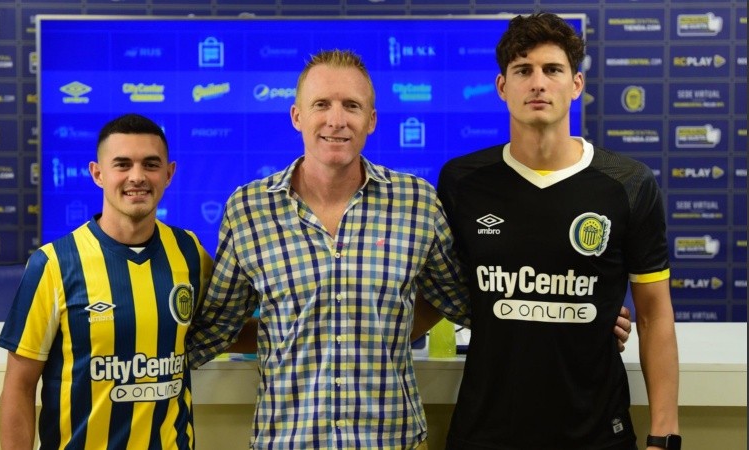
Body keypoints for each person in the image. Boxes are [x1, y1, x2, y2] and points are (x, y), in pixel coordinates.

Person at [186, 49, 632, 449]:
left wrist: (578, 315)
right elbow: (215, 328)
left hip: (393, 438)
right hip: (288, 439)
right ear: (297, 116)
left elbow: (477, 302)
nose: (336, 120)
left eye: (352, 106)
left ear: (372, 120)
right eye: (321, 104)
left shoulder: (415, 202)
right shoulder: (249, 209)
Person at [434, 12, 680, 449]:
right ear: (502, 86)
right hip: (486, 432)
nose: (538, 83)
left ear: (576, 84)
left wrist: (664, 435)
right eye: (523, 70)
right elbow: (436, 292)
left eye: (552, 69)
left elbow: (654, 314)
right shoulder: (461, 182)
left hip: (595, 433)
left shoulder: (629, 183)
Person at [0, 113, 213, 449]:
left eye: (151, 164)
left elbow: (224, 327)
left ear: (169, 174)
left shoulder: (190, 252)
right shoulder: (54, 263)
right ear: (98, 174)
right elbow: (18, 387)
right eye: (122, 164)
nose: (137, 177)